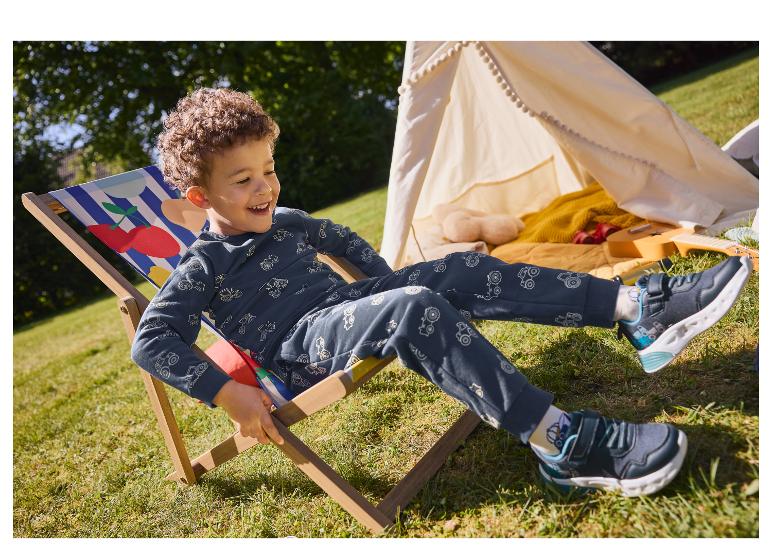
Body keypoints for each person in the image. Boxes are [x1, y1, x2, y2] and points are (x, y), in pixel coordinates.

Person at [131, 88, 753, 497]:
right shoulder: (202, 265)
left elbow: (341, 239)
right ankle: (559, 441)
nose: (265, 187)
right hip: (300, 348)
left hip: (347, 311)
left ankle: (636, 310)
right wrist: (229, 392)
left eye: (268, 169)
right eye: (243, 180)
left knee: (457, 269)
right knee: (413, 307)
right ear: (200, 197)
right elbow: (152, 339)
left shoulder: (285, 219)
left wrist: (379, 285)